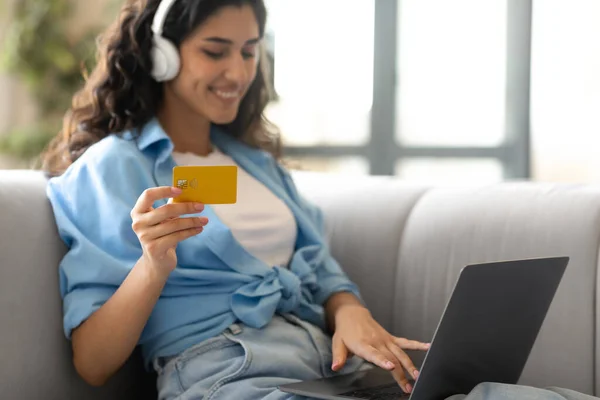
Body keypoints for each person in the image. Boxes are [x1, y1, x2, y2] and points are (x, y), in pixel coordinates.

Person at [41, 1, 598, 399]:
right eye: (215, 51)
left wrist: (350, 313)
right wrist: (153, 264)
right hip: (226, 374)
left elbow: (325, 273)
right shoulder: (116, 167)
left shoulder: (257, 167)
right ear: (162, 56)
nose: (236, 72)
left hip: (328, 367)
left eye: (249, 51)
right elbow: (92, 364)